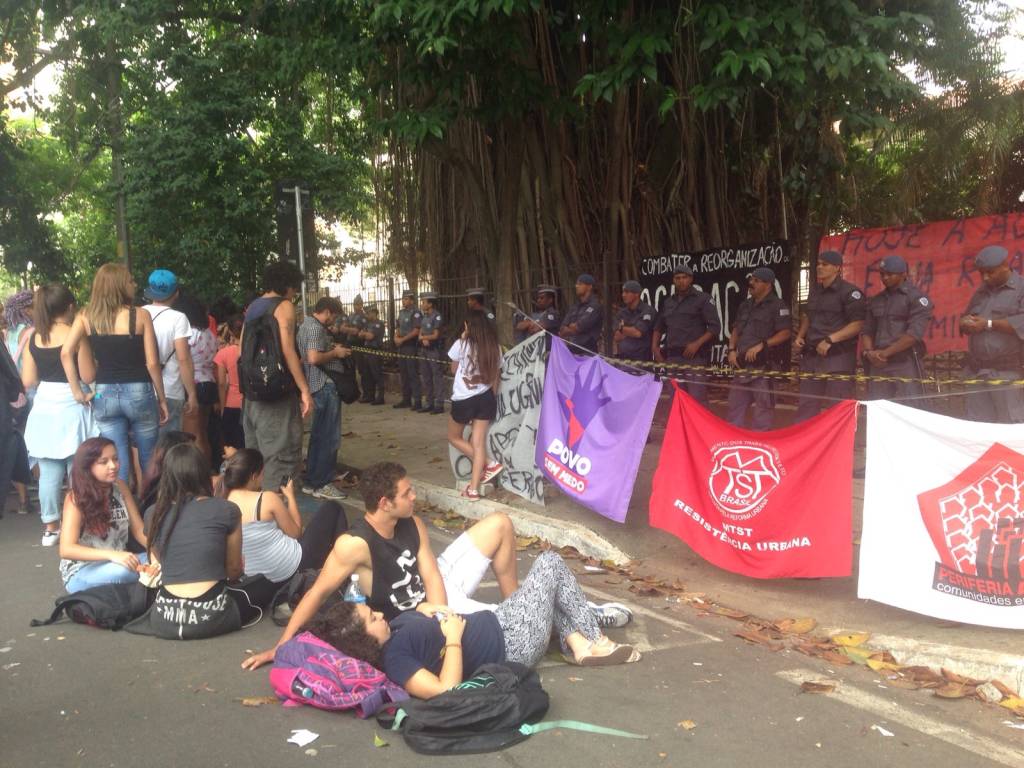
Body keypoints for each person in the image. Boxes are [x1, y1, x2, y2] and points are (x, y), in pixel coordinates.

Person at [241, 462, 630, 671]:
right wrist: (281, 646)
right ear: (383, 502)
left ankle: (527, 607)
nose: (415, 496)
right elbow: (316, 594)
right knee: (537, 595)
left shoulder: (412, 522)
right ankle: (568, 619)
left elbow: (429, 572)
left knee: (500, 523)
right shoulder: (353, 544)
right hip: (419, 615)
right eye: (407, 493)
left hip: (438, 594)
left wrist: (443, 607)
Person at [308, 550, 639, 698]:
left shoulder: (393, 631)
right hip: (513, 643)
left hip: (501, 619)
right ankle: (593, 639)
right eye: (372, 619)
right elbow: (445, 692)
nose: (378, 614)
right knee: (549, 563)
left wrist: (426, 608)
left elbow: (420, 623)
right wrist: (452, 638)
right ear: (365, 640)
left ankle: (578, 642)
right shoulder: (396, 660)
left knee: (547, 595)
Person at [127, 442, 265, 639]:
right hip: (212, 616)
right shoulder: (226, 509)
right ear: (203, 473)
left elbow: (163, 561)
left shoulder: (153, 513)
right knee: (265, 583)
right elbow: (234, 571)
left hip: (164, 618)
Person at [61, 263, 169, 482]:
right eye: (130, 280)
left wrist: (77, 392)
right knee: (149, 457)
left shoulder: (85, 317)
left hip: (103, 393)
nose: (134, 284)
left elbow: (65, 353)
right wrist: (162, 398)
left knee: (114, 458)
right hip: (140, 391)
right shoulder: (140, 316)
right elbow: (152, 364)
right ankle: (150, 507)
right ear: (119, 285)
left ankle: (121, 508)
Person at [21, 285, 100, 546]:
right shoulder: (75, 335)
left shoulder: (34, 337)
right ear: (69, 308)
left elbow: (29, 379)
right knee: (77, 469)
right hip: (72, 403)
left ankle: (51, 527)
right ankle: (77, 523)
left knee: (48, 472)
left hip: (44, 406)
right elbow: (87, 375)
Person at [221, 448, 349, 591]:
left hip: (256, 580)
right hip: (290, 569)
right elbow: (296, 533)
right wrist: (290, 497)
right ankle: (345, 568)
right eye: (262, 474)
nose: (262, 479)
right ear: (253, 476)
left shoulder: (222, 502)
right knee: (332, 508)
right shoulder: (267, 498)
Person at [241, 260, 313, 490]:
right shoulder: (283, 306)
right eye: (294, 288)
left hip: (252, 395)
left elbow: (243, 348)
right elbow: (288, 350)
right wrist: (304, 389)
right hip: (277, 396)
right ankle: (278, 516)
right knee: (280, 459)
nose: (294, 294)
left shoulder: (253, 307)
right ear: (287, 284)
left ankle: (255, 516)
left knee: (256, 460)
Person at [58, 437, 148, 593]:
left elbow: (140, 531)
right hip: (82, 571)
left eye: (115, 459)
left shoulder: (120, 486)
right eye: (103, 462)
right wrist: (112, 555)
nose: (113, 466)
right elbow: (66, 549)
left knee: (165, 559)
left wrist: (159, 554)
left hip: (121, 560)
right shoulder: (75, 498)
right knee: (126, 572)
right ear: (88, 466)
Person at [793, 250, 866, 422]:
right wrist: (800, 336)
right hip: (812, 358)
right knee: (806, 407)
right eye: (818, 264)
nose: (819, 267)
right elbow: (808, 317)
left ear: (837, 268)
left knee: (838, 409)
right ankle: (807, 446)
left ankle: (839, 447)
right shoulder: (815, 291)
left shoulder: (850, 293)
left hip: (837, 358)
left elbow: (858, 324)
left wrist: (830, 339)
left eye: (824, 264)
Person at [959, 245, 1024, 423]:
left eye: (990, 272)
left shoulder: (1021, 289)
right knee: (978, 427)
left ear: (1005, 265)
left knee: (1009, 426)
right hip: (977, 370)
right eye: (981, 273)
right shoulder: (982, 291)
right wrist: (965, 322)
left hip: (1006, 372)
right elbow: (969, 314)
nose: (985, 277)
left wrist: (988, 324)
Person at [297, 296, 351, 500]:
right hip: (323, 385)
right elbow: (313, 358)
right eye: (334, 316)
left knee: (319, 436)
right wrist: (336, 353)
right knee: (329, 437)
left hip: (317, 386)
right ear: (327, 311)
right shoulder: (314, 328)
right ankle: (322, 483)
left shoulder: (306, 326)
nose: (333, 320)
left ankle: (313, 480)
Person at [447, 312, 504, 500]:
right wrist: (491, 396)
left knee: (454, 437)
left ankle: (489, 462)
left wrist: (463, 338)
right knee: (478, 443)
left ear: (469, 328)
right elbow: (496, 375)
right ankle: (473, 489)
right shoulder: (495, 348)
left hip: (464, 399)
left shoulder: (461, 345)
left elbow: (453, 369)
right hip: (486, 397)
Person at [726, 268, 792, 430]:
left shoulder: (778, 305)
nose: (751, 283)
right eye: (751, 280)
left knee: (763, 410)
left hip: (764, 367)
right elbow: (736, 329)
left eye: (756, 281)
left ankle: (760, 445)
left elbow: (786, 332)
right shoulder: (745, 305)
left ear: (768, 284)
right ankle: (733, 445)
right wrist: (731, 349)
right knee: (735, 407)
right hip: (742, 366)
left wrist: (763, 345)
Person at [861, 255, 933, 402]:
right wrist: (869, 353)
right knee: (878, 408)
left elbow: (913, 335)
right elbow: (867, 330)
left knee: (911, 408)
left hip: (905, 361)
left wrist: (885, 353)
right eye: (882, 274)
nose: (885, 278)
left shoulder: (916, 298)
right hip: (879, 362)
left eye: (890, 274)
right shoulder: (876, 300)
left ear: (903, 274)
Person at [651, 265, 721, 405]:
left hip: (694, 358)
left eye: (685, 277)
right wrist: (654, 347)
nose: (681, 281)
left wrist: (697, 343)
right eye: (678, 278)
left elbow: (715, 327)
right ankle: (680, 427)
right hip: (672, 358)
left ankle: (699, 428)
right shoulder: (668, 302)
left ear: (691, 279)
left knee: (697, 399)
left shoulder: (703, 299)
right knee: (676, 398)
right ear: (673, 280)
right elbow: (659, 326)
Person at [142, 269, 197, 434]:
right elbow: (183, 359)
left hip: (142, 389)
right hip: (170, 390)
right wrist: (192, 393)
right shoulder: (178, 318)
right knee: (167, 448)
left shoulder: (137, 314)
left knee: (143, 448)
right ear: (176, 293)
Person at [176, 293, 219, 462]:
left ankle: (198, 476)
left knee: (191, 437)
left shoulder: (188, 334)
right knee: (203, 433)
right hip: (209, 384)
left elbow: (183, 359)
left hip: (193, 385)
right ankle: (206, 470)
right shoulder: (209, 334)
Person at [3, 290, 34, 516]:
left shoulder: (8, 333)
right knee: (18, 445)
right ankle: (25, 499)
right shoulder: (29, 331)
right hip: (20, 395)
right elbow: (15, 373)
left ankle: (23, 499)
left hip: (9, 398)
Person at [213, 315, 245, 452]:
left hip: (231, 403)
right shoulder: (250, 350)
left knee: (232, 444)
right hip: (250, 402)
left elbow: (221, 383)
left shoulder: (223, 354)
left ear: (230, 332)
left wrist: (221, 406)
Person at [559, 274, 604, 354]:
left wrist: (572, 328)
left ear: (589, 287)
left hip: (588, 350)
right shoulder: (575, 307)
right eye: (576, 284)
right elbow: (562, 330)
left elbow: (580, 326)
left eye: (580, 284)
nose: (576, 286)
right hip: (572, 349)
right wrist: (574, 328)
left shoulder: (595, 306)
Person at [393, 289, 423, 410]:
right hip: (401, 346)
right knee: (403, 374)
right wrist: (396, 337)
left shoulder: (416, 313)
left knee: (412, 374)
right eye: (403, 299)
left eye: (406, 299)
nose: (403, 301)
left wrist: (403, 339)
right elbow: (398, 328)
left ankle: (417, 401)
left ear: (411, 300)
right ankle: (406, 399)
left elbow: (416, 331)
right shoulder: (401, 312)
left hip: (411, 345)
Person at [417, 291, 446, 414]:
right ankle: (429, 403)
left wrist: (424, 338)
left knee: (437, 377)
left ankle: (439, 404)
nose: (422, 304)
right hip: (424, 350)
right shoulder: (424, 316)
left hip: (434, 350)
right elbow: (420, 332)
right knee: (426, 376)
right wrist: (422, 338)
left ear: (430, 304)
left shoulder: (436, 316)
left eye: (424, 302)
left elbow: (435, 335)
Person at [613, 281, 656, 361]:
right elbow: (617, 337)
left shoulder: (647, 310)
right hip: (623, 359)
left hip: (642, 360)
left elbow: (637, 333)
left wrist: (622, 328)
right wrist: (630, 330)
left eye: (627, 292)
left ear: (636, 294)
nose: (623, 295)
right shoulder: (622, 313)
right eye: (623, 292)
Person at [339, 295, 371, 403]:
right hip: (350, 344)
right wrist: (349, 329)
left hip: (359, 345)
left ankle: (367, 394)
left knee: (363, 371)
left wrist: (347, 329)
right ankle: (355, 393)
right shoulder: (351, 316)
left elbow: (356, 331)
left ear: (361, 305)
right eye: (354, 304)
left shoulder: (363, 317)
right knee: (350, 370)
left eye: (358, 304)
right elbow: (342, 328)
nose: (356, 306)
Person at [359, 304, 386, 405]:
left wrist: (364, 334)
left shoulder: (379, 324)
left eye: (368, 313)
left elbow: (370, 336)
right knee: (367, 375)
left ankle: (380, 397)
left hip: (375, 351)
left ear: (374, 313)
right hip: (367, 350)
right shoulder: (368, 324)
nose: (366, 315)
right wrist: (364, 334)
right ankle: (370, 396)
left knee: (377, 374)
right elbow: (359, 334)